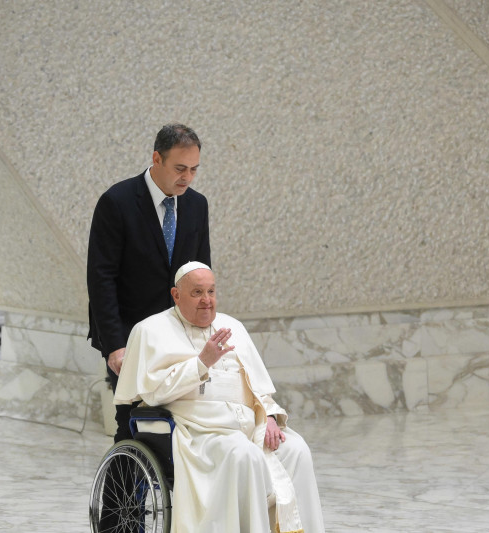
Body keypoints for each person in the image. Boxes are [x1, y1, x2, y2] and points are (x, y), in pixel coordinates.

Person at [115, 262, 325, 533]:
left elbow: (258, 387)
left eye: (211, 292)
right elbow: (153, 393)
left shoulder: (232, 325)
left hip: (249, 427)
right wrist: (202, 363)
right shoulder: (151, 330)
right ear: (176, 295)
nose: (207, 301)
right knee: (243, 455)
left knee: (297, 451)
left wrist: (270, 417)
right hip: (197, 432)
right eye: (197, 292)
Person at [87, 123, 211, 442]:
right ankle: (119, 494)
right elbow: (101, 278)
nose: (187, 177)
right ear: (157, 159)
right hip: (129, 334)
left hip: (179, 335)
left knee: (180, 424)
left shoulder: (197, 206)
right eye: (180, 168)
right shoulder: (117, 202)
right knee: (132, 424)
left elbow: (200, 273)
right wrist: (115, 345)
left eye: (194, 169)